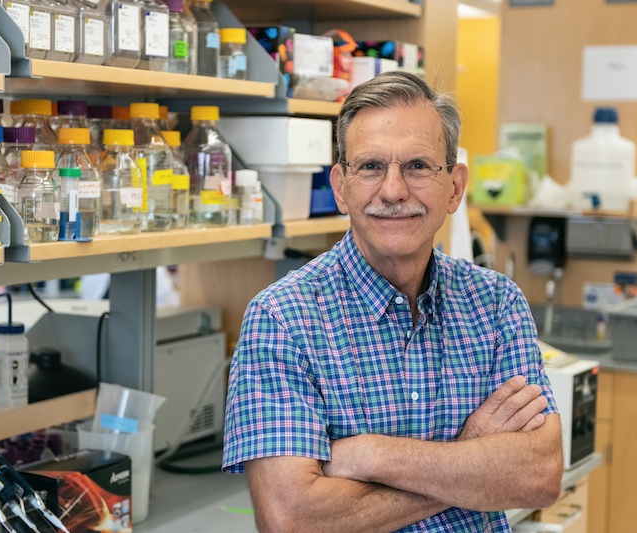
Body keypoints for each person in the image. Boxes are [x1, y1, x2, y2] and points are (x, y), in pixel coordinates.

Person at [222, 71, 563, 532]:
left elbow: (539, 475)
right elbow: (292, 521)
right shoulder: (283, 319)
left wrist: (370, 454)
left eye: (419, 166)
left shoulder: (496, 303)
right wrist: (469, 454)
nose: (394, 190)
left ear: (455, 187)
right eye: (370, 167)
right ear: (340, 187)